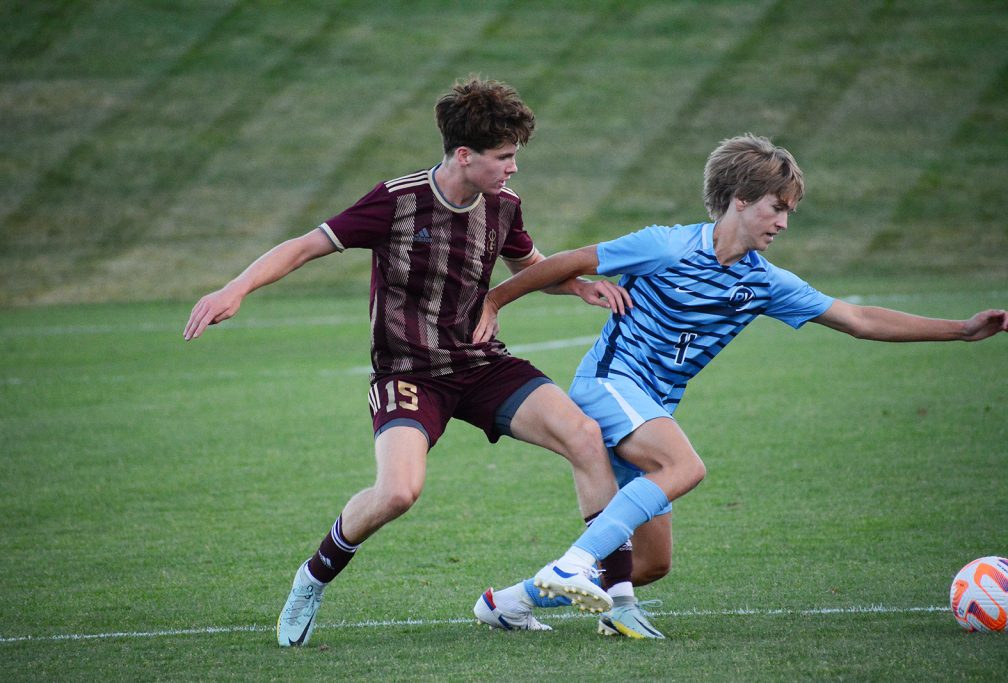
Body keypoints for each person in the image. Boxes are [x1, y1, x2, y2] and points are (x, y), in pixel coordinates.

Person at [471, 133, 1008, 639]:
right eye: (777, 207)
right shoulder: (666, 246)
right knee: (684, 467)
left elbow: (858, 318)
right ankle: (571, 564)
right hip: (608, 384)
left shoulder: (763, 282)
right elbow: (569, 262)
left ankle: (510, 604)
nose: (783, 223)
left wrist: (960, 331)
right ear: (741, 200)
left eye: (788, 212)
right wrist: (495, 301)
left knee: (648, 564)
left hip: (651, 408)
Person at [183, 77, 633, 647]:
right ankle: (311, 579)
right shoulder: (396, 201)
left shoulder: (504, 207)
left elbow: (528, 263)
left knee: (586, 436)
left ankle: (618, 602)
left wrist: (577, 287)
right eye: (505, 157)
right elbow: (304, 245)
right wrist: (236, 288)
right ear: (465, 156)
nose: (514, 168)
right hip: (409, 375)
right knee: (398, 493)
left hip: (481, 365)